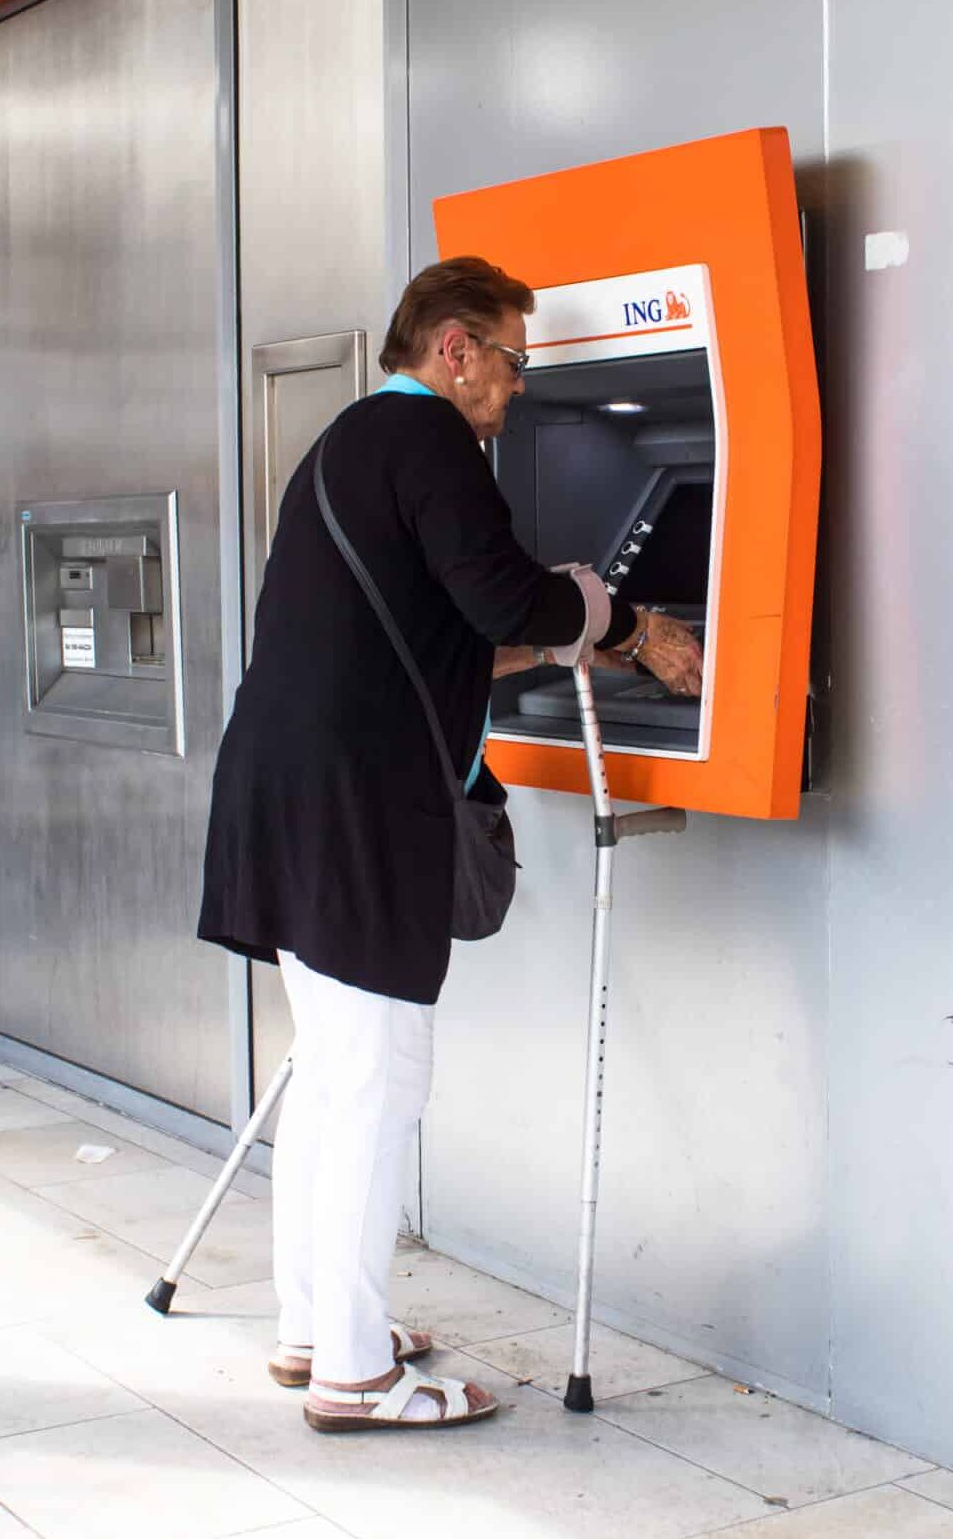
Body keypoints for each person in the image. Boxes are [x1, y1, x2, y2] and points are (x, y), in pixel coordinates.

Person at [198, 256, 702, 1431]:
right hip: (353, 801)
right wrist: (628, 620)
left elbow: (436, 634)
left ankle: (319, 1326)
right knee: (381, 1078)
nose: (521, 389)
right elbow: (505, 597)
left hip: (292, 785)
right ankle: (356, 1379)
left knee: (335, 1074)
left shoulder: (349, 444)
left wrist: (585, 639)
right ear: (456, 348)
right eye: (516, 361)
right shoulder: (429, 444)